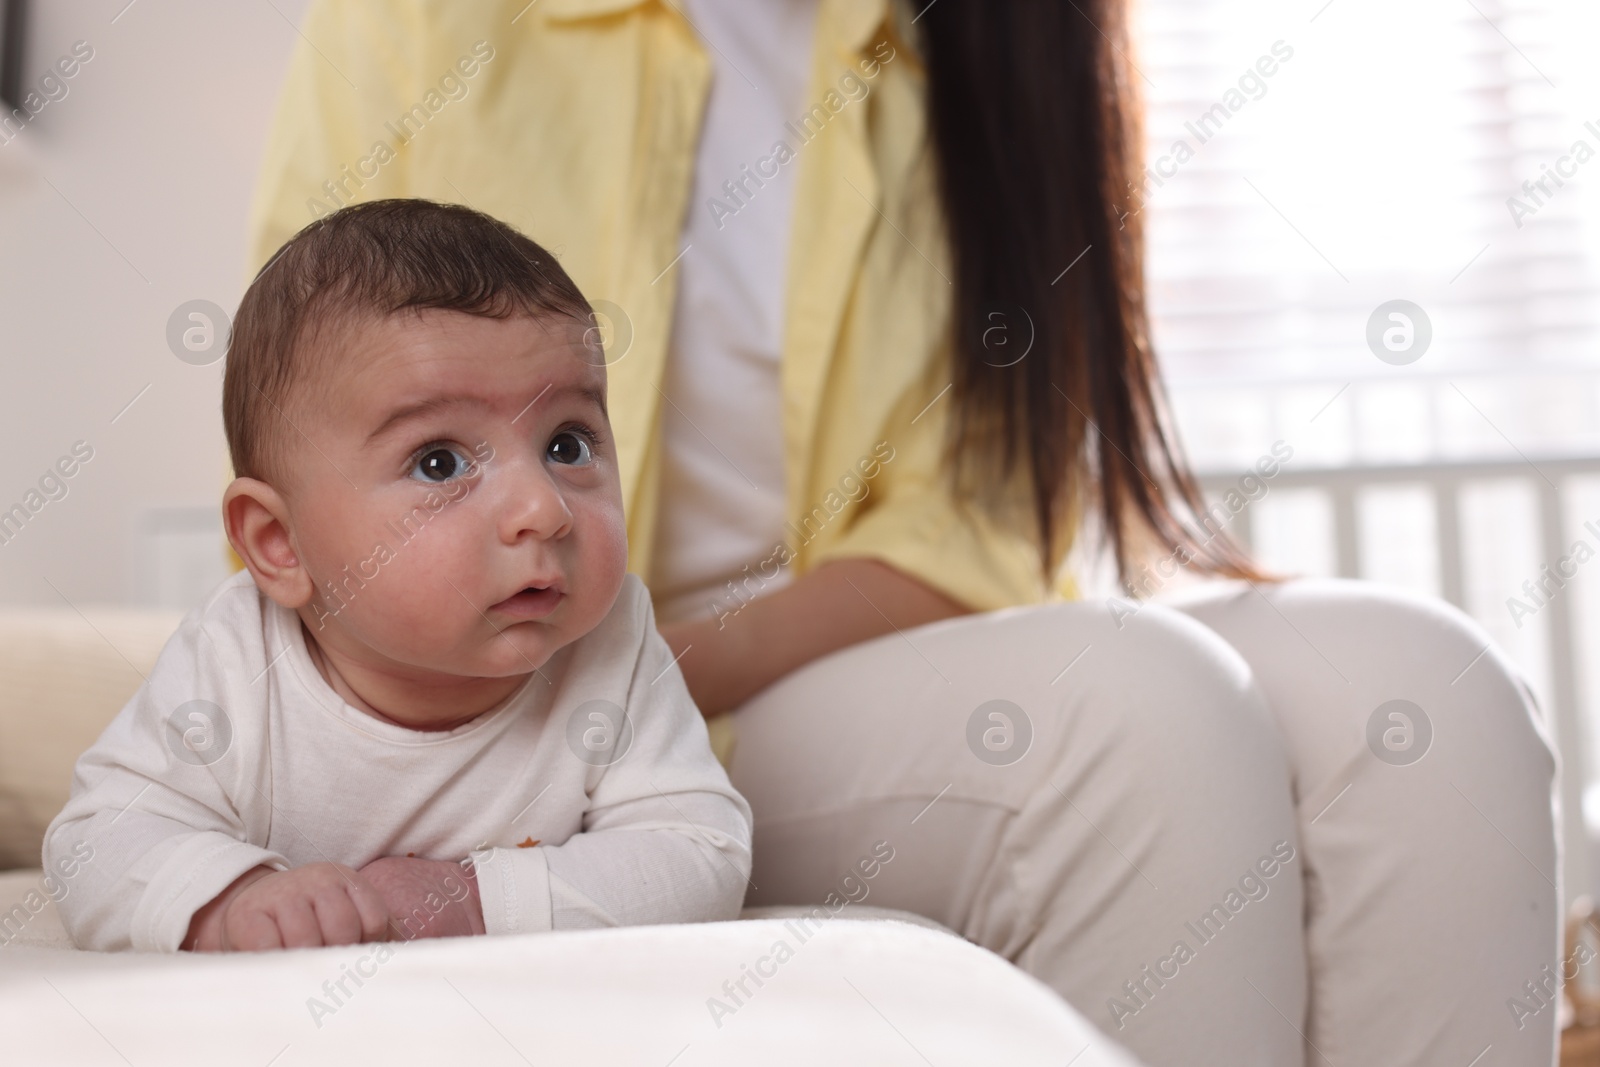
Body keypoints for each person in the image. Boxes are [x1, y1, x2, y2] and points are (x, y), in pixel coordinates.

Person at [242, 2, 1559, 1064]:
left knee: (1427, 691)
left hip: (824, 643)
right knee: (1135, 713)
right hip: (556, 701)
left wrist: (654, 671)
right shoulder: (415, 24)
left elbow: (973, 527)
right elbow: (302, 421)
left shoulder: (965, 47)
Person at [44, 200, 752, 953]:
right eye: (439, 461)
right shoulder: (235, 657)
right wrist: (232, 901)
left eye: (568, 444)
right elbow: (97, 838)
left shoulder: (610, 643)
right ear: (281, 543)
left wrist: (476, 900)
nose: (543, 510)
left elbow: (699, 852)